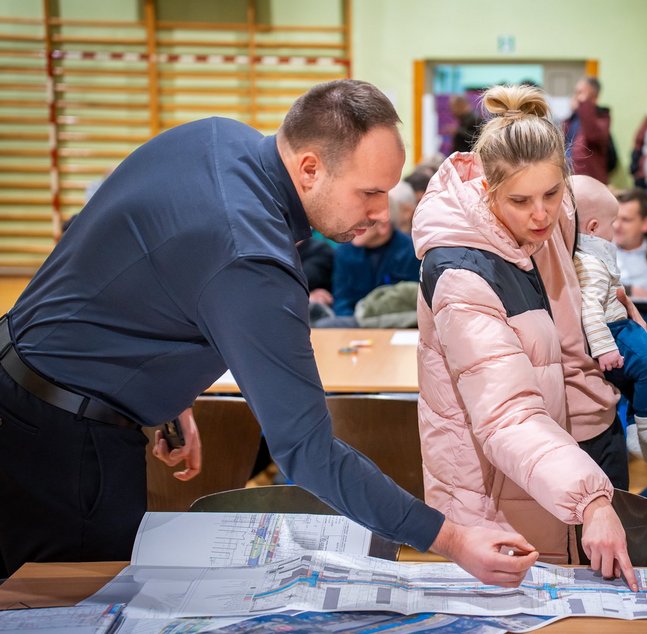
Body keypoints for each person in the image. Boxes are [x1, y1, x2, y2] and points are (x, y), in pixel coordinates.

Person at [0, 79, 539, 585]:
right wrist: (452, 538)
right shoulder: (252, 257)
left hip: (25, 377)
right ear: (309, 168)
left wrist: (169, 396)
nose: (380, 215)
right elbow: (306, 449)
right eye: (369, 193)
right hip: (59, 446)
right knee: (70, 603)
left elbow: (138, 271)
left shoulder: (217, 135)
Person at [413, 84, 635, 586]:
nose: (541, 214)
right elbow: (506, 415)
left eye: (552, 194)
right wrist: (591, 497)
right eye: (520, 200)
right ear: (488, 191)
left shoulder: (562, 215)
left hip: (575, 445)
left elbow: (585, 309)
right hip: (502, 480)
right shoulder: (462, 271)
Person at [571, 175, 647, 469]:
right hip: (613, 331)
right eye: (614, 223)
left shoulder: (600, 257)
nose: (616, 230)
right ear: (592, 228)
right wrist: (605, 347)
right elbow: (590, 307)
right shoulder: (591, 261)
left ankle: (636, 428)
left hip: (629, 320)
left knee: (634, 380)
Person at [315, 187, 421, 327]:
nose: (351, 224)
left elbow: (414, 302)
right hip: (357, 324)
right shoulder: (344, 252)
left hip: (398, 324)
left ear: (383, 226)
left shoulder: (412, 251)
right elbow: (342, 301)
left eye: (361, 220)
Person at [563, 77, 611, 184]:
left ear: (594, 96)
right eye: (576, 92)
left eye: (581, 92)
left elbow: (593, 135)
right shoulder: (572, 119)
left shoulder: (602, 116)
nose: (576, 96)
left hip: (589, 180)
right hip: (569, 177)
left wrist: (584, 106)